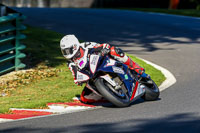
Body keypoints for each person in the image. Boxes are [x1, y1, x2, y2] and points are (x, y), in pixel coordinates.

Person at [60, 35, 150, 103]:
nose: (66, 53)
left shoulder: (86, 45)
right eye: (64, 51)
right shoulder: (70, 62)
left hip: (104, 61)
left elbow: (103, 46)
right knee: (84, 98)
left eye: (67, 50)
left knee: (115, 50)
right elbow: (75, 73)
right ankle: (110, 95)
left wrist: (104, 49)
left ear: (75, 46)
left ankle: (136, 67)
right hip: (93, 75)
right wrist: (78, 80)